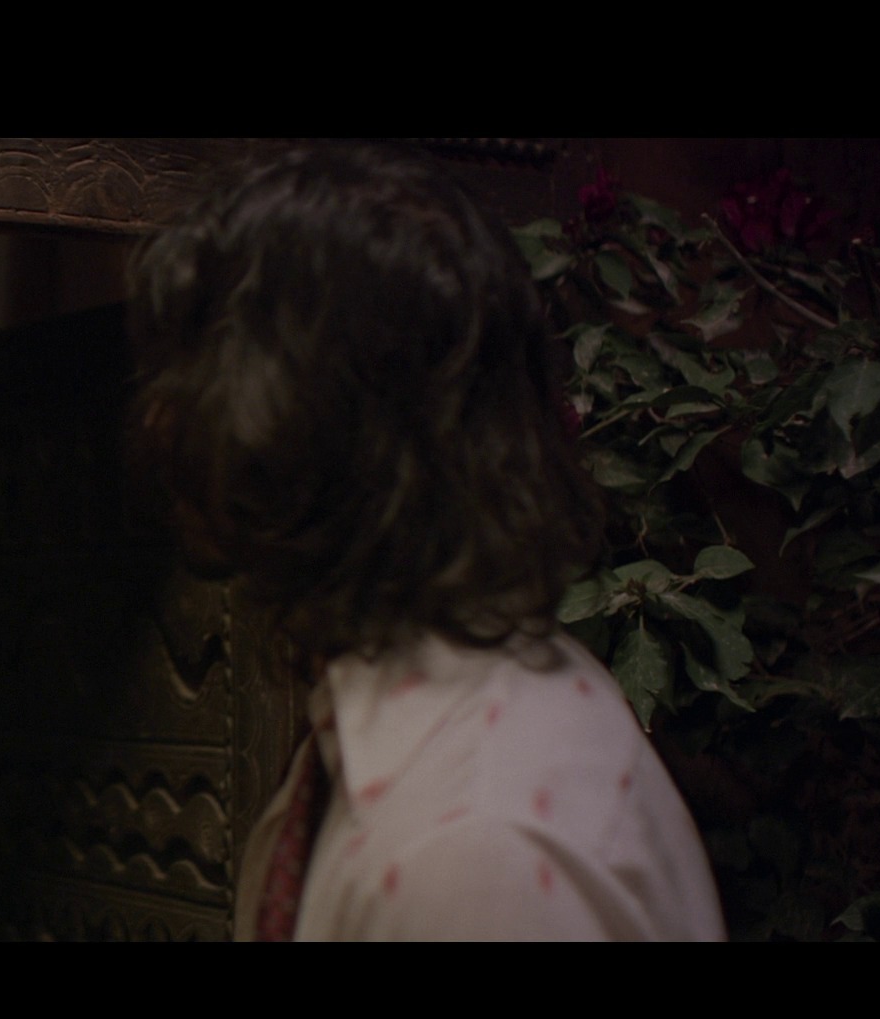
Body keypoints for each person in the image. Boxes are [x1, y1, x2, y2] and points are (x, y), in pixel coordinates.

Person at [128, 143, 725, 940]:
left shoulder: (467, 855)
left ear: (308, 423)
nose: (160, 419)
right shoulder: (407, 722)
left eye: (201, 368)